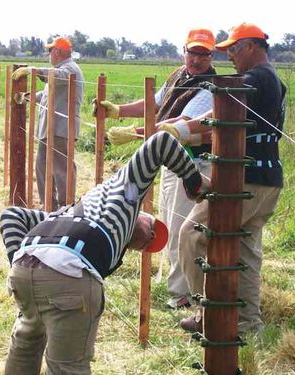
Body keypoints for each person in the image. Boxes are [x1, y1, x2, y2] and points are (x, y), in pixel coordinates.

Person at [0, 130, 208, 375]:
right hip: (66, 270)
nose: (150, 238)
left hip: (28, 270)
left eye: (146, 247)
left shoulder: (67, 214)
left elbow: (11, 216)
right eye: (153, 228)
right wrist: (194, 182)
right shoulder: (126, 192)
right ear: (140, 214)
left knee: (25, 347)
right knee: (68, 367)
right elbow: (161, 142)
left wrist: (22, 268)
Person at [175, 22, 286, 334]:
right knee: (246, 251)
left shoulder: (250, 80)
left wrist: (184, 129)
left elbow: (222, 113)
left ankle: (205, 315)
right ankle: (249, 324)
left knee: (191, 234)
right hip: (269, 177)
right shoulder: (274, 80)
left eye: (233, 50)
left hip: (243, 179)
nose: (230, 58)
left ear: (251, 47)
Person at [99, 28, 217, 310]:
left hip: (192, 164)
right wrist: (119, 110)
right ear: (184, 50)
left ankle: (184, 295)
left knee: (180, 228)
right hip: (171, 163)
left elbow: (178, 123)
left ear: (212, 56)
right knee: (168, 221)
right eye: (193, 52)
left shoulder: (210, 87)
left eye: (203, 54)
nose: (197, 59)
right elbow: (156, 103)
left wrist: (136, 132)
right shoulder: (179, 74)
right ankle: (177, 287)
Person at [11, 36, 84, 210]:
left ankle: (65, 207)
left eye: (50, 51)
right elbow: (47, 94)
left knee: (61, 170)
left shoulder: (69, 69)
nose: (48, 55)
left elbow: (58, 77)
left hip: (61, 129)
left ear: (57, 52)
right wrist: (29, 97)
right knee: (42, 167)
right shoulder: (59, 68)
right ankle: (48, 207)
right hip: (49, 129)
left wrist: (33, 70)